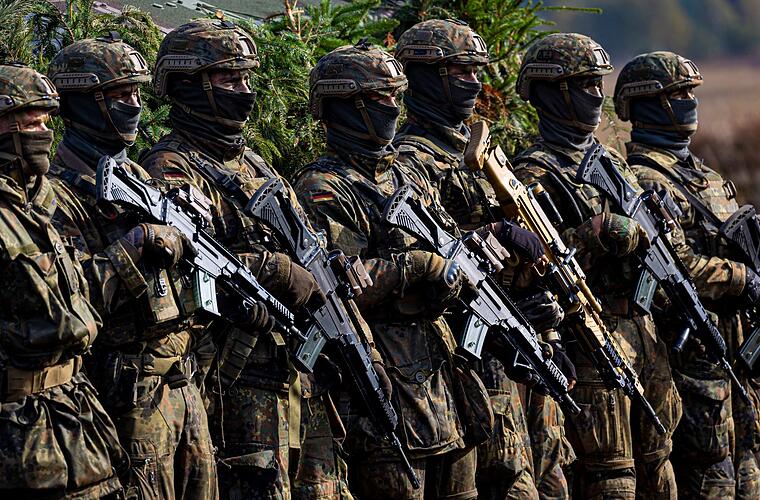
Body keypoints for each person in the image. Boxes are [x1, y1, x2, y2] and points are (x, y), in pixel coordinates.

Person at [139, 19, 343, 499]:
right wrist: (269, 268)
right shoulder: (170, 167)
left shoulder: (253, 163)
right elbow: (183, 266)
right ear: (189, 84)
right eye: (229, 79)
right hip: (230, 376)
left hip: (284, 371)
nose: (245, 90)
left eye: (247, 77)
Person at [393, 18, 574, 499]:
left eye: (476, 71)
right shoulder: (411, 160)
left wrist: (541, 317)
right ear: (425, 77)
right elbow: (427, 259)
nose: (474, 82)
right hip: (460, 357)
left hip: (509, 349)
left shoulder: (482, 153)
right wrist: (490, 237)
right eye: (460, 72)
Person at [294, 40, 481, 499]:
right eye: (381, 98)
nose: (393, 107)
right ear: (347, 105)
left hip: (441, 380)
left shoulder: (406, 176)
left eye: (396, 96)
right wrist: (416, 266)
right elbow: (343, 285)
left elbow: (450, 252)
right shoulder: (323, 186)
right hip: (381, 384)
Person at [46, 33, 222, 499]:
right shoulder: (56, 194)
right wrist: (137, 244)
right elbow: (68, 300)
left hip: (183, 384)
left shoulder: (141, 177)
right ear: (82, 101)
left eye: (137, 92)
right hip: (124, 394)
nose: (135, 105)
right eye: (120, 94)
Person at [512, 33, 683, 499]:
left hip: (642, 334)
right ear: (554, 92)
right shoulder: (534, 173)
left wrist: (661, 226)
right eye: (585, 83)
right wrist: (596, 233)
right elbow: (530, 266)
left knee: (660, 470)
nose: (596, 93)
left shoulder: (611, 162)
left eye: (597, 82)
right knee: (613, 480)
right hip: (592, 340)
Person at [616, 50, 760, 499]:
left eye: (691, 92)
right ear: (646, 103)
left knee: (746, 473)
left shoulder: (705, 176)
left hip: (734, 359)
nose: (690, 102)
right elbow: (675, 267)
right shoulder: (643, 180)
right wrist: (742, 279)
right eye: (677, 94)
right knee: (708, 477)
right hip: (690, 362)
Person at [0, 62, 126, 498]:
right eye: (31, 122)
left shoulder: (38, 202)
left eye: (46, 121)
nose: (44, 132)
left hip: (73, 411)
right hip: (17, 432)